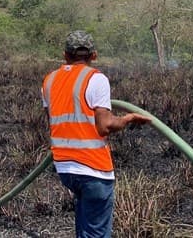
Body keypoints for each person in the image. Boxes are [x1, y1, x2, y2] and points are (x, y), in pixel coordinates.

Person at [42, 31, 152, 238]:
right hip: (94, 169)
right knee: (96, 233)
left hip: (65, 168)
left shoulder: (49, 80)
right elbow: (105, 126)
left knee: (84, 227)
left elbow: (55, 120)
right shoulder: (96, 79)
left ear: (65, 55)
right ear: (94, 56)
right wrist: (128, 119)